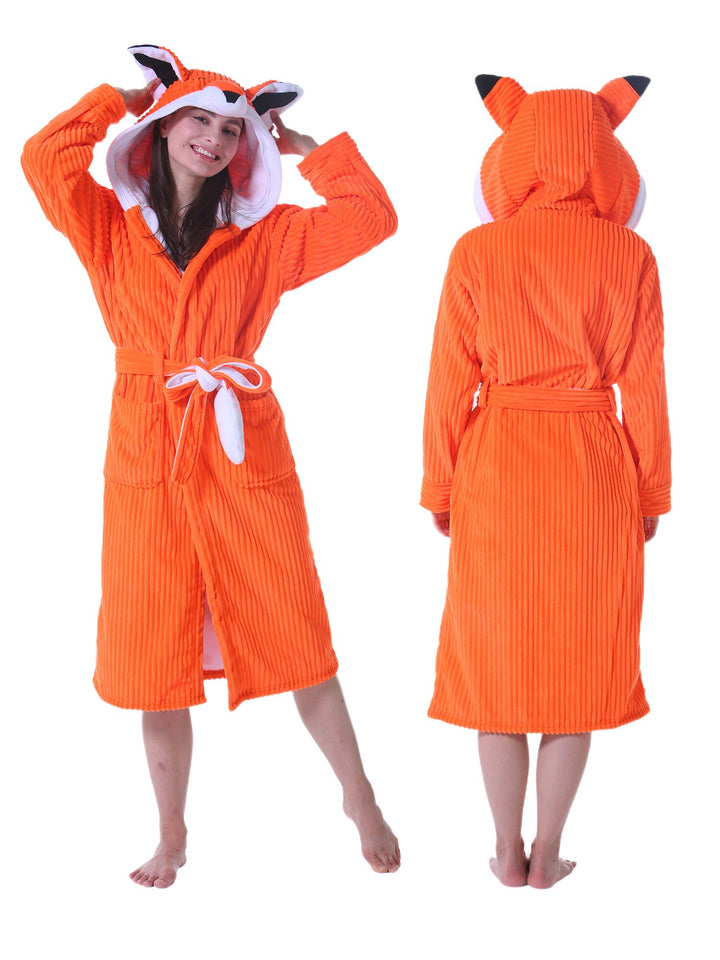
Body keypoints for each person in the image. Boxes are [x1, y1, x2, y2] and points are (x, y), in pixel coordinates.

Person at [22, 44, 400, 887]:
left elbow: (372, 219)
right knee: (154, 650)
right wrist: (123, 99)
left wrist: (309, 149)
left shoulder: (266, 239)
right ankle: (172, 833)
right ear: (163, 127)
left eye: (233, 130)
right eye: (198, 119)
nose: (216, 138)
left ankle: (359, 795)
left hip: (239, 444)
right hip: (148, 442)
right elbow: (43, 157)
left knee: (295, 628)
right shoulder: (109, 227)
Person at [421, 75, 670, 889]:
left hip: (498, 462)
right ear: (605, 158)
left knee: (496, 669)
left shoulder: (476, 252)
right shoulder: (631, 255)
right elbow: (646, 385)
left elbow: (447, 382)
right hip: (593, 466)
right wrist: (651, 491)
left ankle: (505, 848)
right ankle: (549, 851)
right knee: (575, 666)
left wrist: (440, 485)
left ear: (516, 154)